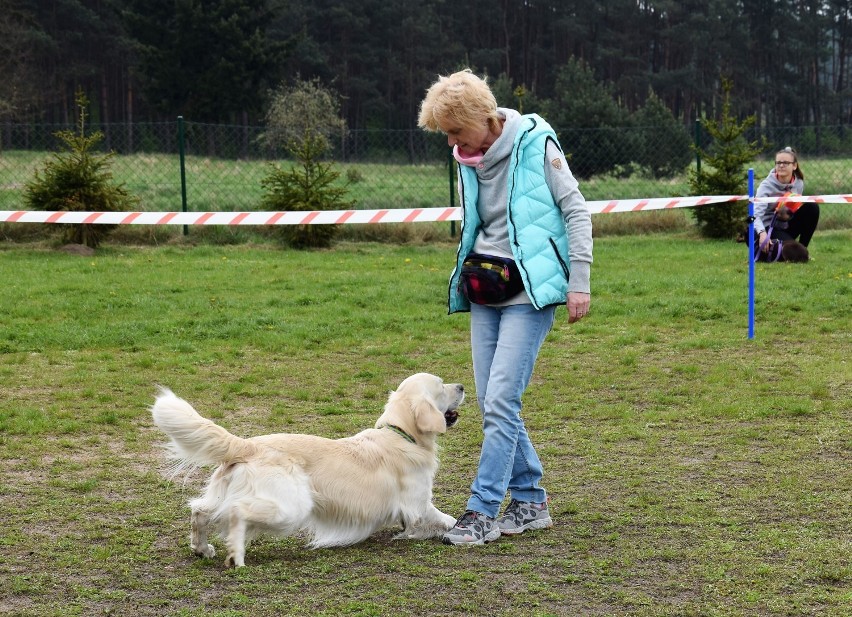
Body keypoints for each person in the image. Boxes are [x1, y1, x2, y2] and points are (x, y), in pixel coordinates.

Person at [417, 69, 593, 546]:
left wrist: (580, 282)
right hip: (484, 289)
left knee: (500, 402)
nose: (452, 142)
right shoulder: (466, 158)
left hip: (530, 292)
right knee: (494, 403)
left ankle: (481, 510)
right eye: (447, 134)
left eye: (456, 131)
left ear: (482, 117)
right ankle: (531, 500)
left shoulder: (537, 145)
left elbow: (576, 211)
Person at [754, 147, 819, 254]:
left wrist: (788, 216)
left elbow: (795, 208)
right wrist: (762, 233)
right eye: (778, 162)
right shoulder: (765, 186)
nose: (781, 165)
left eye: (785, 163)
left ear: (794, 166)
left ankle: (803, 249)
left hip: (786, 224)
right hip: (768, 228)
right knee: (791, 250)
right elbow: (754, 215)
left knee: (812, 208)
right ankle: (795, 250)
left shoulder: (799, 183)